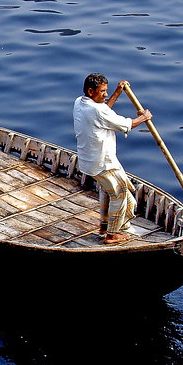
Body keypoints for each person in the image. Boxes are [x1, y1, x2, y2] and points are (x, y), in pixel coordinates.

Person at [73, 73, 152, 244]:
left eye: (107, 91)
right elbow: (126, 124)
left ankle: (104, 226)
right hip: (103, 163)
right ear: (90, 91)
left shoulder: (79, 102)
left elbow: (104, 112)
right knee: (121, 194)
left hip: (88, 162)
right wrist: (143, 117)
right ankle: (112, 234)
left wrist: (117, 92)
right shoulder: (96, 110)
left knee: (108, 190)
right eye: (102, 92)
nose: (106, 95)